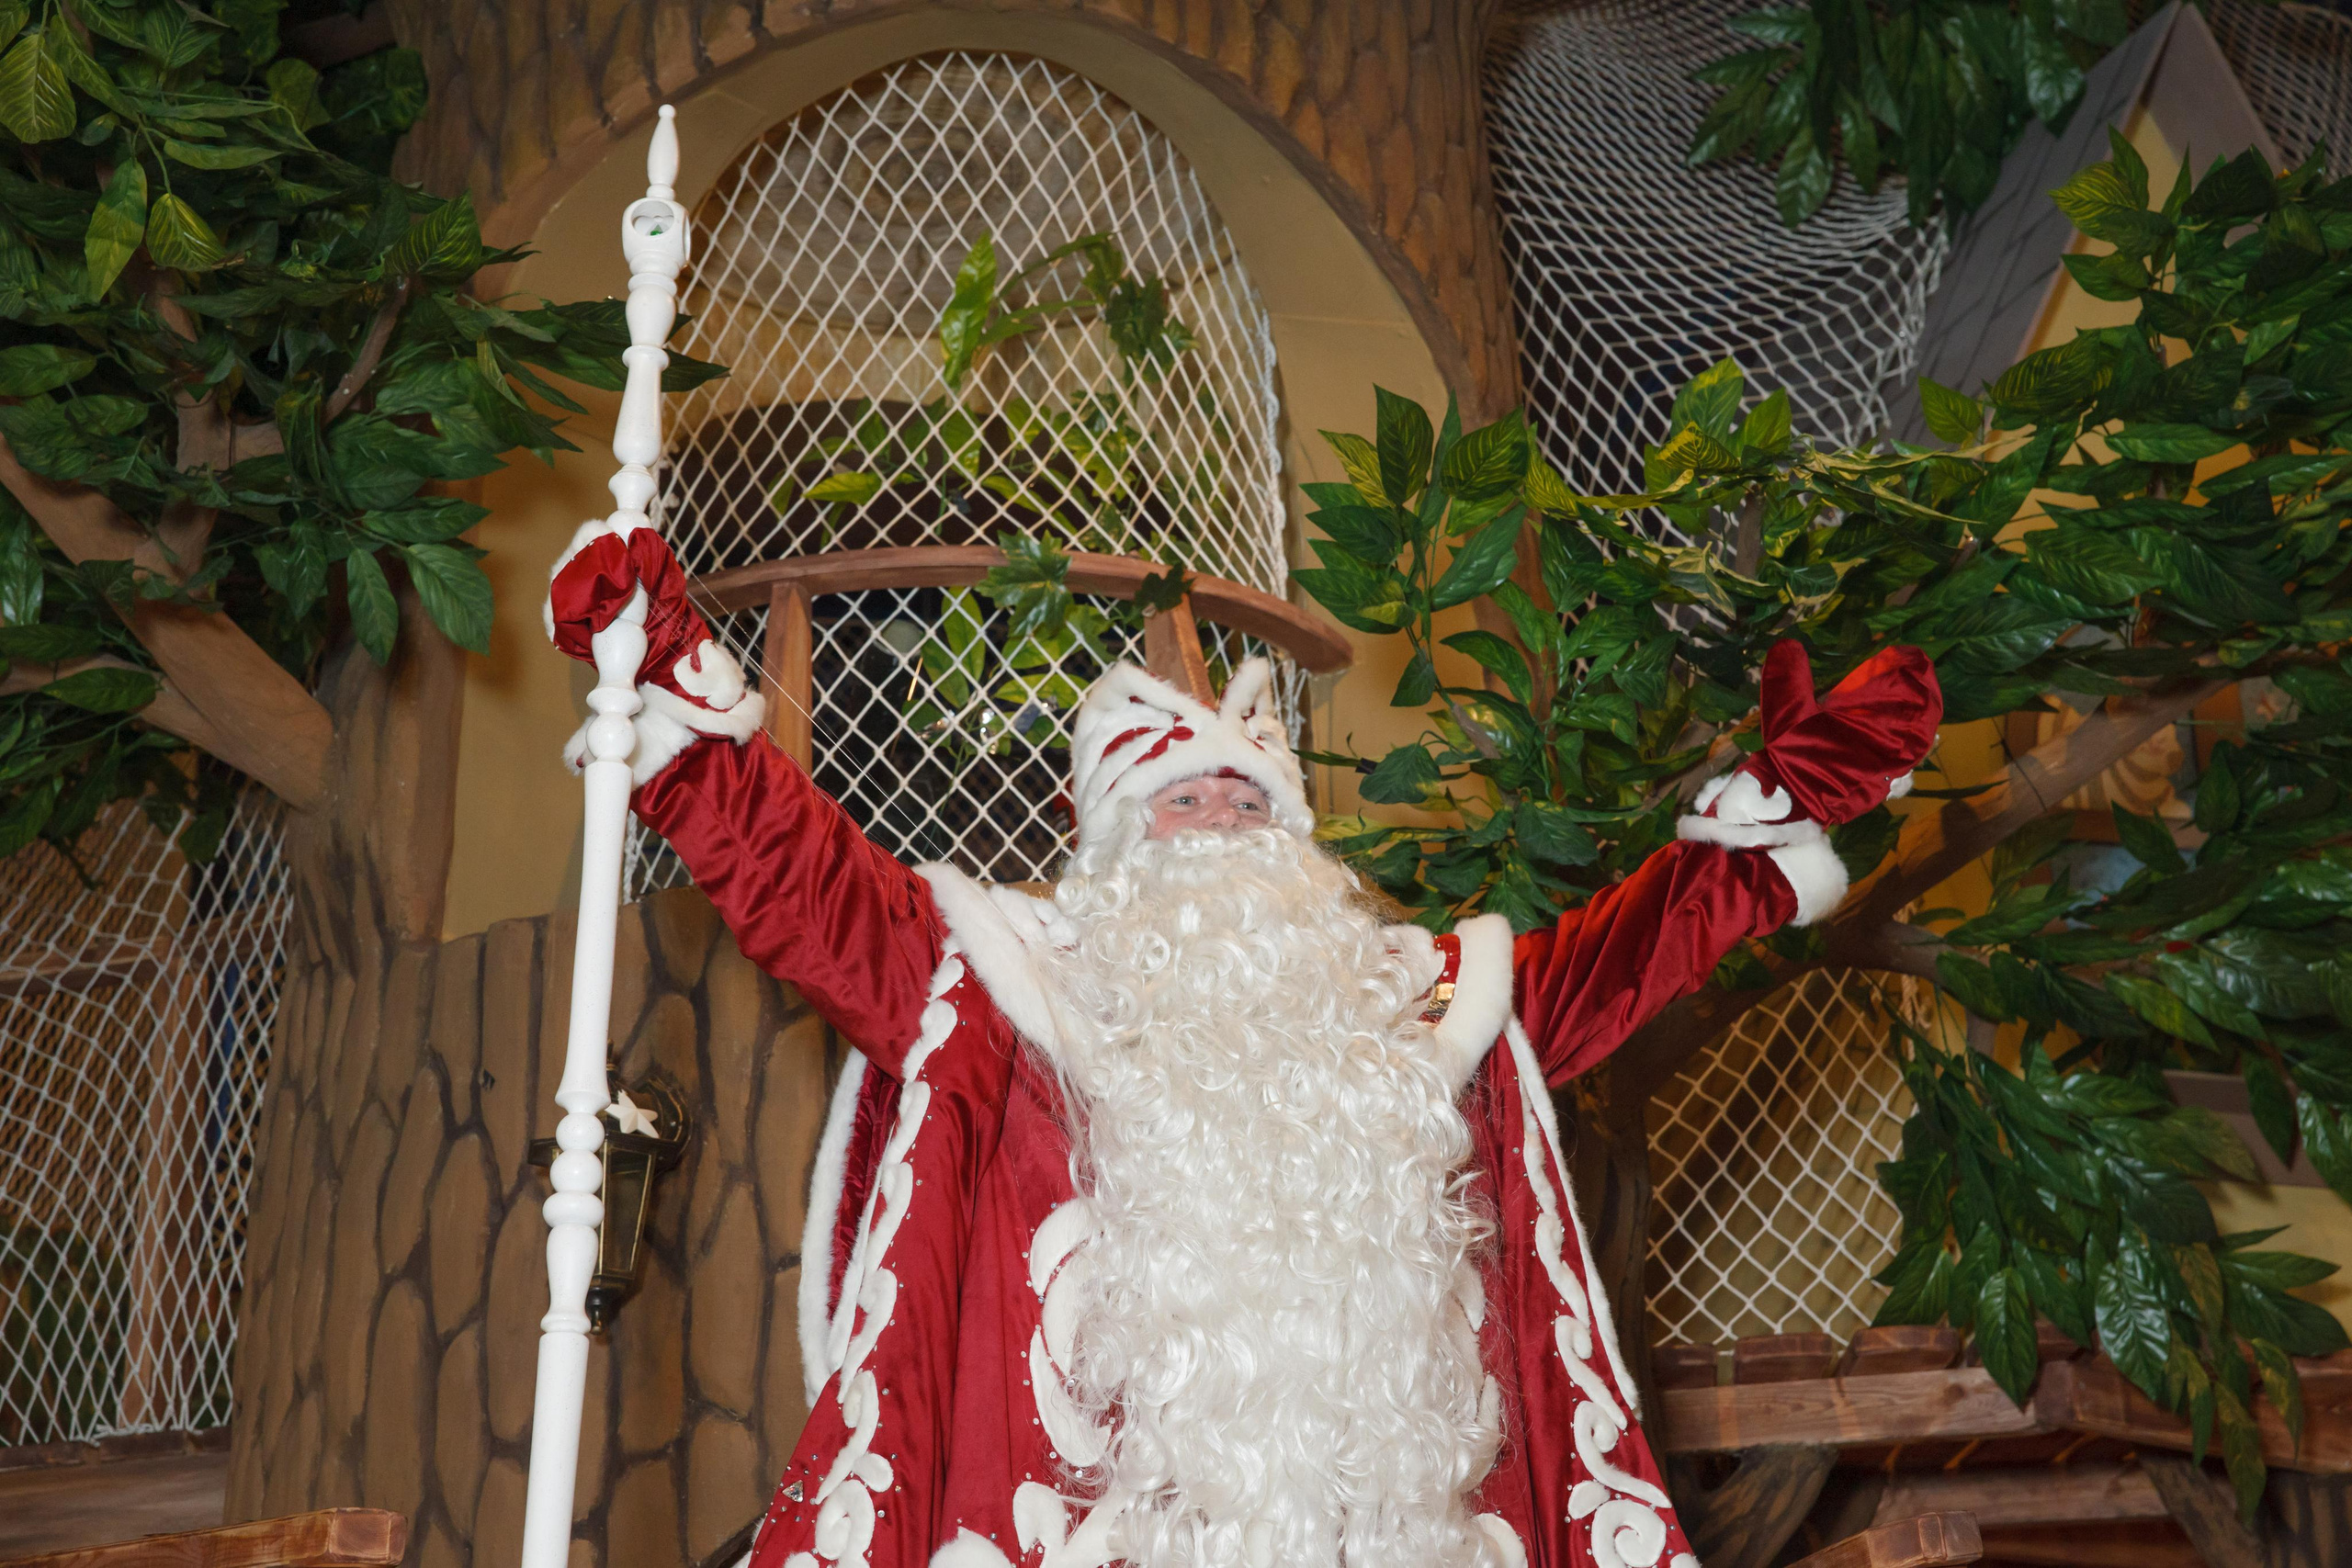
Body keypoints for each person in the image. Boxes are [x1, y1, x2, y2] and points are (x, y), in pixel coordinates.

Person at [546, 525, 1942, 1568]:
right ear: (1105, 841)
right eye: (1177, 799)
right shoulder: (1008, 983)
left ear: (1296, 841)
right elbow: (816, 898)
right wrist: (682, 710)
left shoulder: (1416, 1003)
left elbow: (1622, 963)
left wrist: (1759, 841)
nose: (1215, 815)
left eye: (1243, 798)